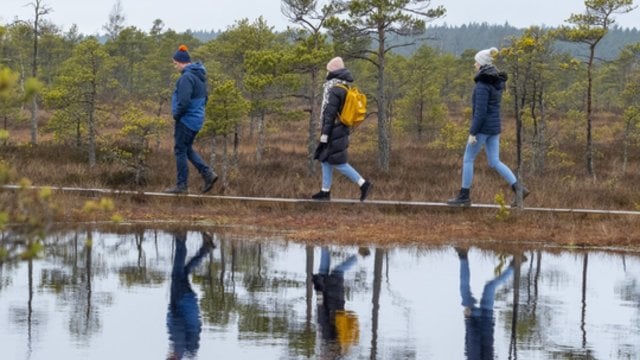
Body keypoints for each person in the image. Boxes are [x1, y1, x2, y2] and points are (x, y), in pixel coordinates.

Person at [447, 47, 529, 207]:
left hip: (483, 128)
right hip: (494, 128)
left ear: (482, 64)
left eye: (476, 61)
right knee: (494, 161)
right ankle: (519, 189)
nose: (474, 64)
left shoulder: (483, 85)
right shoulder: (495, 82)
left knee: (468, 159)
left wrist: (473, 132)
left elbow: (481, 112)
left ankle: (464, 196)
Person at [312, 56, 372, 202]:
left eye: (328, 70)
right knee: (325, 159)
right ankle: (325, 191)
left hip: (334, 130)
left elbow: (329, 113)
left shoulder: (334, 90)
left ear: (333, 71)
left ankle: (363, 184)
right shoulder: (344, 87)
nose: (327, 73)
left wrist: (325, 133)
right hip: (341, 128)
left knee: (338, 162)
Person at [164, 44, 217, 194]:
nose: (174, 67)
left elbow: (184, 102)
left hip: (186, 120)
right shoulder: (199, 76)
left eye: (175, 63)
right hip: (196, 120)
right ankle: (208, 174)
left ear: (181, 62)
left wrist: (177, 115)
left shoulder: (186, 77)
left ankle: (182, 186)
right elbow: (205, 99)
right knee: (186, 149)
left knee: (180, 150)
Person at [454, 247, 520, 360]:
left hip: (487, 317)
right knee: (465, 290)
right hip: (475, 317)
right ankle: (463, 255)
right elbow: (473, 341)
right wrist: (468, 319)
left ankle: (514, 265)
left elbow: (488, 339)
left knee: (490, 287)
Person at [312, 246, 369, 356]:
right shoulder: (327, 335)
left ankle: (358, 256)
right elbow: (322, 311)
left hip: (338, 299)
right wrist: (319, 291)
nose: (321, 356)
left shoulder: (341, 342)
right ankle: (325, 244)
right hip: (328, 295)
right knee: (330, 272)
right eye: (324, 357)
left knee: (337, 272)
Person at [166, 231, 214, 360]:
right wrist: (172, 307)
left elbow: (195, 327)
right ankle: (180, 239)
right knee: (176, 274)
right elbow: (177, 324)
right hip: (180, 302)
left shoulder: (188, 347)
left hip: (189, 304)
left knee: (183, 272)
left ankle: (206, 248)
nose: (167, 356)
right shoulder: (179, 346)